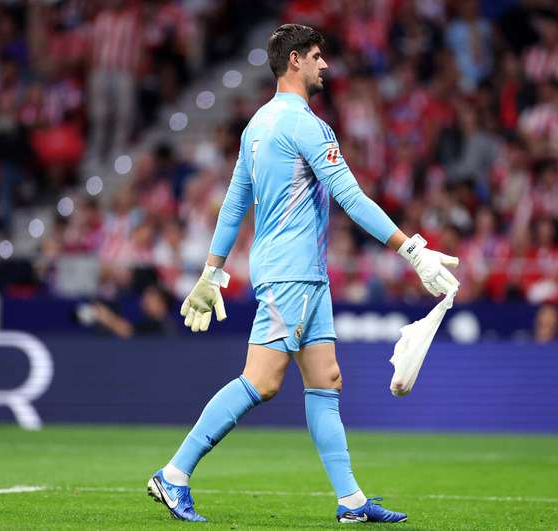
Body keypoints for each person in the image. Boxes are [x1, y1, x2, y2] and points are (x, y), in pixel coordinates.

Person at [147, 24, 460, 524]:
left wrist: (212, 271)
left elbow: (234, 205)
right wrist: (413, 250)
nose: (325, 65)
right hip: (290, 274)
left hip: (305, 276)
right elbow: (350, 197)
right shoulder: (306, 126)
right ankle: (174, 474)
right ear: (294, 60)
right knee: (262, 381)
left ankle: (351, 502)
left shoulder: (256, 126)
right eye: (316, 56)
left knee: (327, 380)